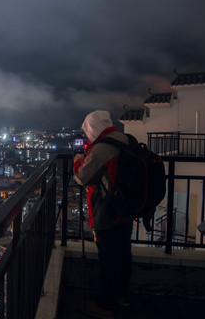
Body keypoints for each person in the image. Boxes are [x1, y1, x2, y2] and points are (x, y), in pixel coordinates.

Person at [73, 110, 133, 319]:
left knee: (108, 259)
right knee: (123, 253)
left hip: (107, 211)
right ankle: (122, 295)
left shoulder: (101, 149)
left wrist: (78, 161)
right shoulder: (124, 139)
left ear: (92, 128)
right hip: (126, 209)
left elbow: (83, 178)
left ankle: (103, 304)